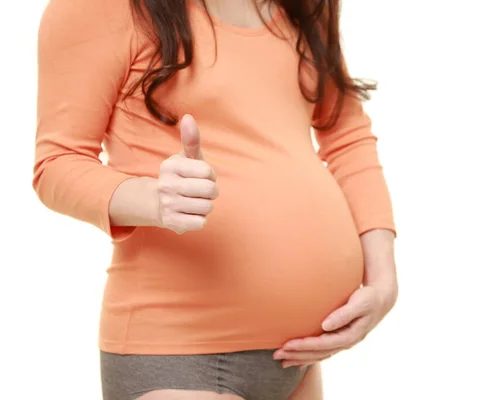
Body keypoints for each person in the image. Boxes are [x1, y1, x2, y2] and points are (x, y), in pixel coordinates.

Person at [33, 0, 398, 398]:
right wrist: (152, 198)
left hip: (300, 361)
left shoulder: (304, 5)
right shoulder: (99, 8)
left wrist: (382, 279)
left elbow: (346, 136)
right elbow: (56, 162)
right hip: (181, 356)